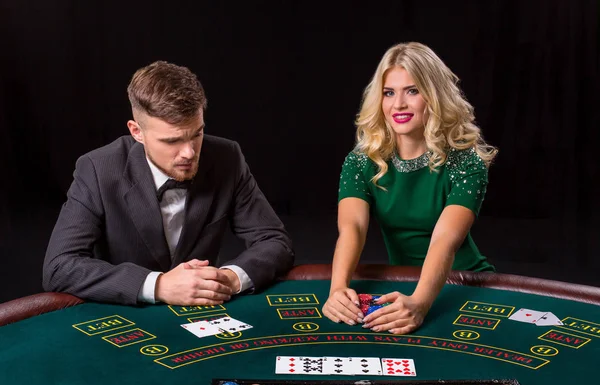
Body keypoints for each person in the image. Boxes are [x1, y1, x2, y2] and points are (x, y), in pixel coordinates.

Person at [43, 61, 294, 306]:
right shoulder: (98, 169)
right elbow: (59, 266)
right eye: (172, 141)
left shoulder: (227, 158)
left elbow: (275, 242)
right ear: (136, 132)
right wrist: (159, 286)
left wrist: (227, 279)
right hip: (126, 317)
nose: (188, 153)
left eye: (196, 134)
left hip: (204, 312)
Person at [322, 42, 497, 334]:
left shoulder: (467, 163)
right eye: (389, 93)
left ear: (434, 95)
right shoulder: (361, 161)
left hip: (464, 285)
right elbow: (352, 228)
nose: (398, 105)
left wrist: (420, 302)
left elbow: (445, 239)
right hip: (404, 285)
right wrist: (337, 289)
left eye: (412, 91)